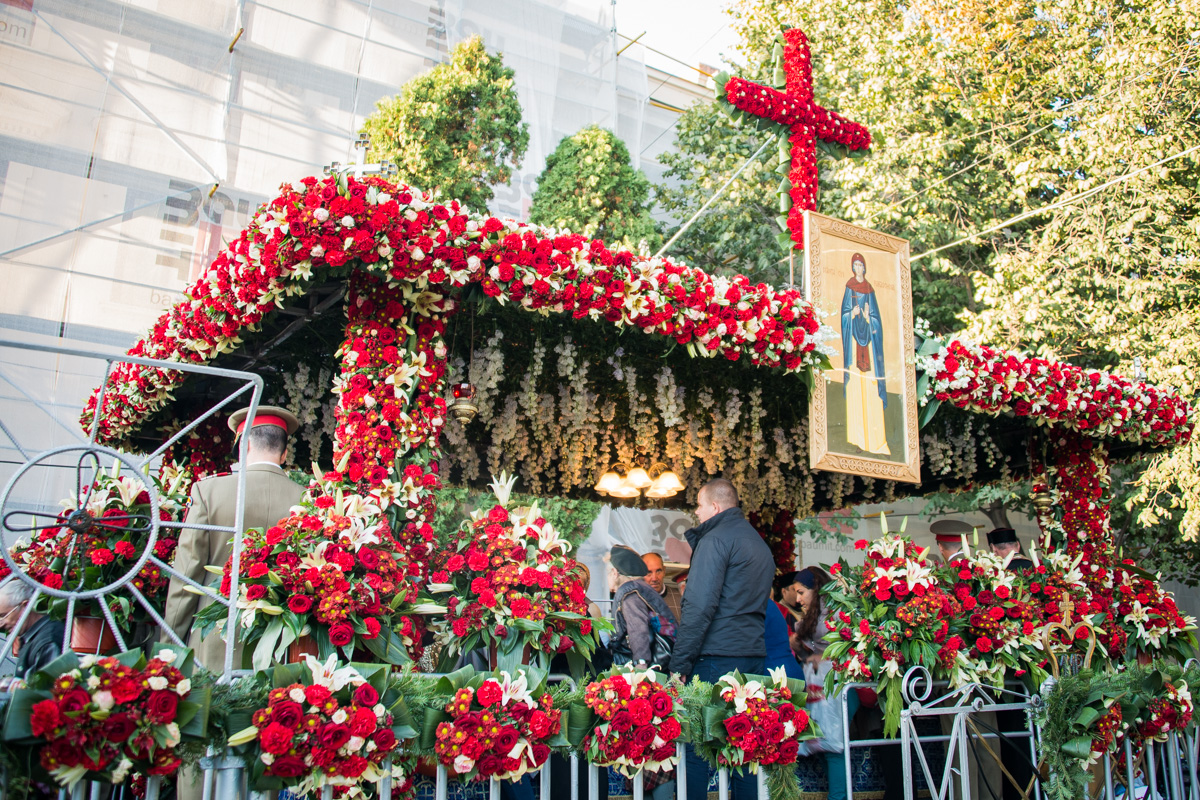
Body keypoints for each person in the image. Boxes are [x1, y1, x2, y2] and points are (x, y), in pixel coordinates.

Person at [164, 405, 304, 673]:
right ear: (285, 453)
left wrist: (170, 644)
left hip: (215, 639)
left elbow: (186, 575)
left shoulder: (209, 491)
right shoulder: (307, 499)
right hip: (283, 646)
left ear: (244, 446)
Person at [669, 478, 774, 800]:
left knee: (699, 746)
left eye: (699, 506)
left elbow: (699, 606)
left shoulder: (715, 540)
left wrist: (679, 664)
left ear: (714, 507)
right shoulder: (758, 542)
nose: (697, 513)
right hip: (752, 655)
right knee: (744, 748)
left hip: (716, 656)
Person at [609, 546, 675, 800]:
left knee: (652, 753)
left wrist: (639, 676)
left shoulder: (630, 594)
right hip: (661, 675)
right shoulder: (644, 591)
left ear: (616, 572)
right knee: (656, 753)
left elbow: (637, 635)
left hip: (647, 683)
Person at [791, 567, 859, 800]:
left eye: (801, 592)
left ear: (816, 588)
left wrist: (827, 656)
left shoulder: (840, 612)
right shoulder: (813, 615)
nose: (797, 599)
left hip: (841, 687)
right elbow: (809, 654)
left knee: (834, 746)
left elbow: (855, 645)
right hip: (821, 688)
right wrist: (800, 647)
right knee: (828, 744)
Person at [840, 252, 889, 455]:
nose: (859, 268)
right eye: (856, 265)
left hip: (868, 347)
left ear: (865, 268)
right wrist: (852, 314)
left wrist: (869, 318)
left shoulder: (870, 290)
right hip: (854, 347)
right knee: (855, 391)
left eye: (861, 265)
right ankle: (856, 438)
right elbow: (843, 315)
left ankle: (876, 440)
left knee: (870, 389)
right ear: (853, 268)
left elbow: (877, 319)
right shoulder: (849, 287)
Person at [609, 546, 676, 668]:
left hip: (648, 668)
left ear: (614, 573)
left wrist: (641, 666)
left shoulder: (630, 594)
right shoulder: (641, 589)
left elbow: (638, 630)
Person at [0, 580, 65, 687]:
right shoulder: (33, 635)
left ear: (25, 606)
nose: (1, 624)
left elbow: (44, 691)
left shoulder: (47, 641)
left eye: (3, 615)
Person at [642, 551, 683, 626]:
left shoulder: (680, 598)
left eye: (658, 571)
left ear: (664, 571)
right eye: (648, 572)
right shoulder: (634, 600)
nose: (654, 578)